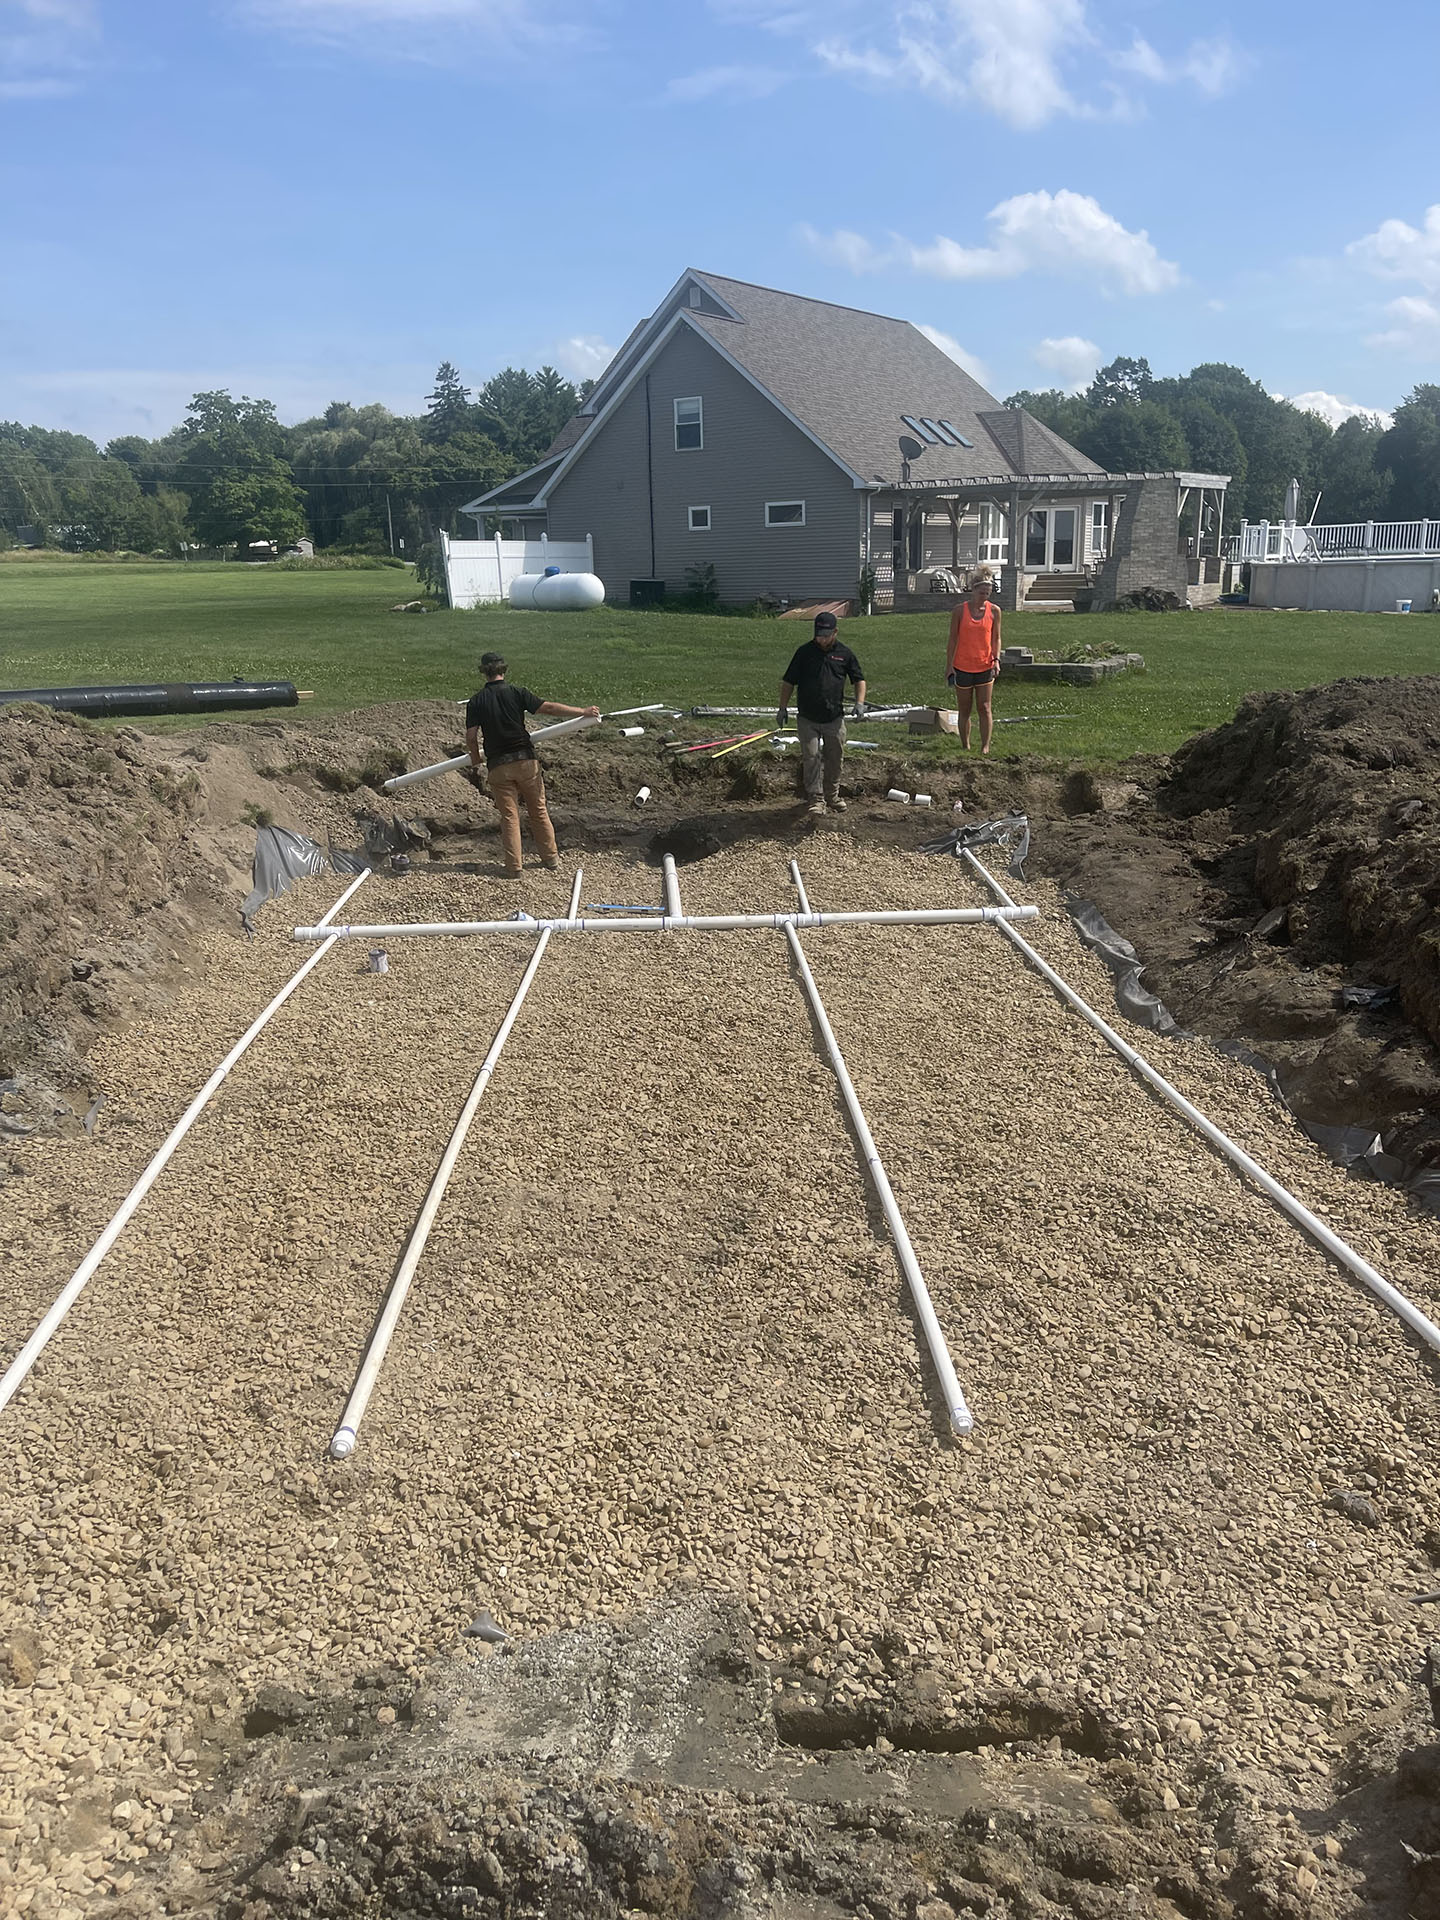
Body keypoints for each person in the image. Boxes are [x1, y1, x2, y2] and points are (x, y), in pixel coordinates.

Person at [465, 652, 599, 877]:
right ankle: (550, 859)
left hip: (498, 765)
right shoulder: (517, 692)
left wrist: (475, 757)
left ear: (483, 673)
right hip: (526, 760)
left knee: (509, 817)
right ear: (503, 670)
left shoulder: (476, 701)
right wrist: (582, 712)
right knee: (538, 810)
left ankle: (514, 868)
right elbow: (550, 708)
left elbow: (471, 736)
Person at [777, 611, 867, 816]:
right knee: (811, 756)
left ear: (835, 632)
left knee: (835, 757)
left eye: (826, 635)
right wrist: (782, 708)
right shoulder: (804, 653)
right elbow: (788, 681)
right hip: (807, 717)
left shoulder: (844, 654)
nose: (821, 638)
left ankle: (832, 796)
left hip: (834, 717)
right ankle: (816, 799)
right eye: (818, 634)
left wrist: (860, 703)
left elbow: (858, 679)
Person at [947, 568, 1002, 754]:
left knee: (985, 707)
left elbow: (996, 638)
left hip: (984, 665)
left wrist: (996, 659)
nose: (984, 596)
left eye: (987, 592)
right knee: (964, 708)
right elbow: (953, 639)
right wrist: (949, 666)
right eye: (981, 592)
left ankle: (985, 746)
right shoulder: (959, 611)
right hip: (962, 666)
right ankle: (965, 745)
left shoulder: (994, 611)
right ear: (973, 590)